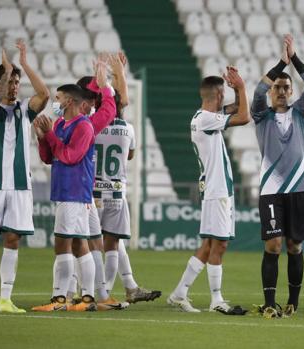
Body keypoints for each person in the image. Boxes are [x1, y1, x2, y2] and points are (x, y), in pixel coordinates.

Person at [31, 58, 116, 312]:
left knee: (63, 243)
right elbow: (49, 158)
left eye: (58, 98)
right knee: (79, 244)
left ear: (69, 101)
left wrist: (49, 136)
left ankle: (60, 300)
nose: (55, 103)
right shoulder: (59, 123)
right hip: (65, 191)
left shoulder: (84, 126)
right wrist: (42, 138)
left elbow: (70, 156)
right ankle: (86, 299)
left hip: (75, 192)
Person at [0, 41, 49, 313]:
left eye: (17, 82)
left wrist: (23, 64)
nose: (15, 86)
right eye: (11, 81)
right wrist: (5, 73)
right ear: (1, 83)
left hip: (19, 187)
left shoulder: (25, 110)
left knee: (13, 239)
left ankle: (5, 299)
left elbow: (45, 94)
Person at [167, 66, 250, 313]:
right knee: (219, 245)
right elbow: (244, 117)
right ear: (218, 94)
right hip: (216, 189)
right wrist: (242, 88)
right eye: (223, 93)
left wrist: (237, 91)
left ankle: (179, 293)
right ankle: (216, 299)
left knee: (208, 245)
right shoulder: (206, 120)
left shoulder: (201, 117)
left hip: (215, 188)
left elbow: (236, 109)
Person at [82, 52, 161, 304]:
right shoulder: (128, 128)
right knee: (112, 243)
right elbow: (129, 154)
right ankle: (113, 290)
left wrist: (110, 76)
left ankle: (88, 291)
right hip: (116, 193)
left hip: (91, 193)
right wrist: (119, 74)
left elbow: (119, 100)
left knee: (86, 244)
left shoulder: (90, 124)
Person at [251, 34, 304, 318]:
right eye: (277, 86)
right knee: (274, 244)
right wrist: (281, 63)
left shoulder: (300, 113)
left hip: (299, 188)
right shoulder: (260, 114)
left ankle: (292, 301)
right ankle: (269, 303)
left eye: (285, 87)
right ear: (271, 91)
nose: (280, 90)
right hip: (271, 189)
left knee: (295, 245)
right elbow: (255, 92)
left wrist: (296, 60)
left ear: (291, 92)